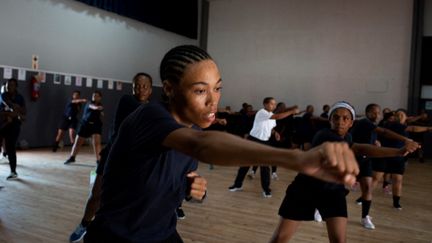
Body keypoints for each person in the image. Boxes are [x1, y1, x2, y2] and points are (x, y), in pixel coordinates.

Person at [83, 45, 359, 243]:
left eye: (217, 88)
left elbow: (163, 182)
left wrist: (191, 189)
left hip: (161, 234)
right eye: (200, 90)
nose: (213, 101)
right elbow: (201, 145)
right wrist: (296, 159)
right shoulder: (149, 116)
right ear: (169, 89)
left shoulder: (188, 131)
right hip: (116, 237)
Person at [270, 101, 419, 243]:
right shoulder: (324, 134)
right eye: (336, 117)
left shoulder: (347, 137)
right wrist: (398, 150)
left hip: (333, 191)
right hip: (305, 189)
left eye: (345, 118)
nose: (340, 121)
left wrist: (398, 152)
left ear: (351, 123)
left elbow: (359, 147)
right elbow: (359, 149)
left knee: (339, 240)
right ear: (330, 120)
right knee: (279, 239)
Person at [69, 73, 153, 242]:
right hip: (113, 154)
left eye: (145, 86)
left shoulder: (153, 110)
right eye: (137, 85)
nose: (141, 89)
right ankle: (84, 224)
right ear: (132, 87)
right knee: (97, 194)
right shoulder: (127, 101)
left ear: (150, 90)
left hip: (134, 161)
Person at [350, 103, 419, 229]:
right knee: (340, 188)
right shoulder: (364, 122)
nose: (377, 115)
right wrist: (406, 140)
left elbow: (375, 137)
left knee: (368, 188)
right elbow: (384, 132)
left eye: (378, 112)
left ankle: (365, 217)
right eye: (374, 112)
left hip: (366, 160)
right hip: (353, 159)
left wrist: (376, 142)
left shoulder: (371, 126)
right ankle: (320, 208)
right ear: (368, 113)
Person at [228, 98, 299, 198]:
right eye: (272, 104)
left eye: (275, 104)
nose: (274, 106)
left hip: (265, 142)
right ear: (265, 104)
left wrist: (275, 133)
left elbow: (271, 127)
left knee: (265, 167)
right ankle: (237, 185)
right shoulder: (262, 112)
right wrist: (291, 111)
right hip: (253, 140)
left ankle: (266, 189)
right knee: (245, 164)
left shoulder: (271, 116)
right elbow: (277, 116)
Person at [372, 109, 432, 210]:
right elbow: (412, 128)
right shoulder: (390, 124)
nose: (399, 116)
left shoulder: (404, 126)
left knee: (398, 180)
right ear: (394, 117)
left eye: (402, 115)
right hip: (384, 155)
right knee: (376, 179)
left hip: (398, 158)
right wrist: (428, 128)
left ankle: (396, 203)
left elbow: (412, 125)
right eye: (397, 114)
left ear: (406, 118)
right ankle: (363, 197)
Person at [64, 91, 103, 164]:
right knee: (77, 142)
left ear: (100, 98)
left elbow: (100, 113)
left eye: (96, 96)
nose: (94, 97)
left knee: (97, 143)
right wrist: (98, 108)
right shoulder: (89, 103)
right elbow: (93, 107)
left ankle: (99, 160)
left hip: (96, 125)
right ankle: (72, 157)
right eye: (93, 95)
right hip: (85, 124)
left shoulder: (100, 105)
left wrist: (100, 111)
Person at [0, 78, 26, 180]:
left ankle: (13, 172)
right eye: (7, 85)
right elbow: (7, 107)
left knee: (11, 148)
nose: (9, 86)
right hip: (2, 124)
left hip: (14, 125)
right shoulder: (3, 95)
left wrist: (17, 113)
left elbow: (24, 112)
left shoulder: (20, 97)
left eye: (11, 85)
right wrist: (14, 112)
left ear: (16, 86)